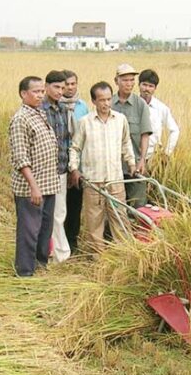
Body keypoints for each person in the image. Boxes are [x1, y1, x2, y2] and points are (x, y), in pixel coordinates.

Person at [69, 82, 136, 253]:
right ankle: (98, 258)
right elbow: (75, 148)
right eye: (101, 100)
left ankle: (124, 255)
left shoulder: (120, 120)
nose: (106, 104)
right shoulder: (85, 122)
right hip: (94, 181)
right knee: (94, 221)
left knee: (119, 218)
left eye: (108, 99)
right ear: (94, 101)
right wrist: (74, 169)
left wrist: (131, 163)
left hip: (115, 179)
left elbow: (126, 143)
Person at [9, 76, 60, 276]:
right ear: (23, 94)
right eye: (35, 92)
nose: (40, 95)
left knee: (44, 229)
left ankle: (40, 265)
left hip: (48, 184)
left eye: (41, 91)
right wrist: (33, 186)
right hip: (32, 187)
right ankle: (25, 271)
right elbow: (21, 158)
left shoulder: (39, 113)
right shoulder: (20, 119)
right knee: (29, 231)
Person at [42, 70, 73, 263]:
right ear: (46, 87)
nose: (60, 91)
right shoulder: (39, 110)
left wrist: (70, 168)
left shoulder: (63, 110)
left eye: (62, 87)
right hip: (44, 171)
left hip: (61, 169)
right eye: (56, 87)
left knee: (59, 213)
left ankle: (61, 254)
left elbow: (67, 140)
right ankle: (47, 251)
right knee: (44, 214)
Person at [111, 64, 152, 207]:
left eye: (131, 80)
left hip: (135, 165)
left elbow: (145, 135)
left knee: (137, 205)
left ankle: (136, 229)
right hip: (113, 165)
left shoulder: (140, 105)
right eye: (125, 80)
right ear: (116, 81)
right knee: (115, 206)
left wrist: (142, 160)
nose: (129, 84)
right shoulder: (108, 102)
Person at [60, 70, 89, 255]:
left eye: (73, 84)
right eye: (66, 85)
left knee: (75, 205)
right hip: (60, 162)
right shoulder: (53, 106)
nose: (70, 88)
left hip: (78, 163)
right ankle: (58, 242)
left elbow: (85, 136)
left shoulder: (83, 106)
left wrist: (76, 167)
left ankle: (73, 242)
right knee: (59, 206)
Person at [138, 69, 180, 166]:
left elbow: (175, 130)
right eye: (144, 85)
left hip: (154, 158)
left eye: (150, 86)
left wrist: (167, 153)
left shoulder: (161, 108)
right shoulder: (132, 105)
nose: (147, 89)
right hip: (134, 157)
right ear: (139, 85)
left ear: (155, 88)